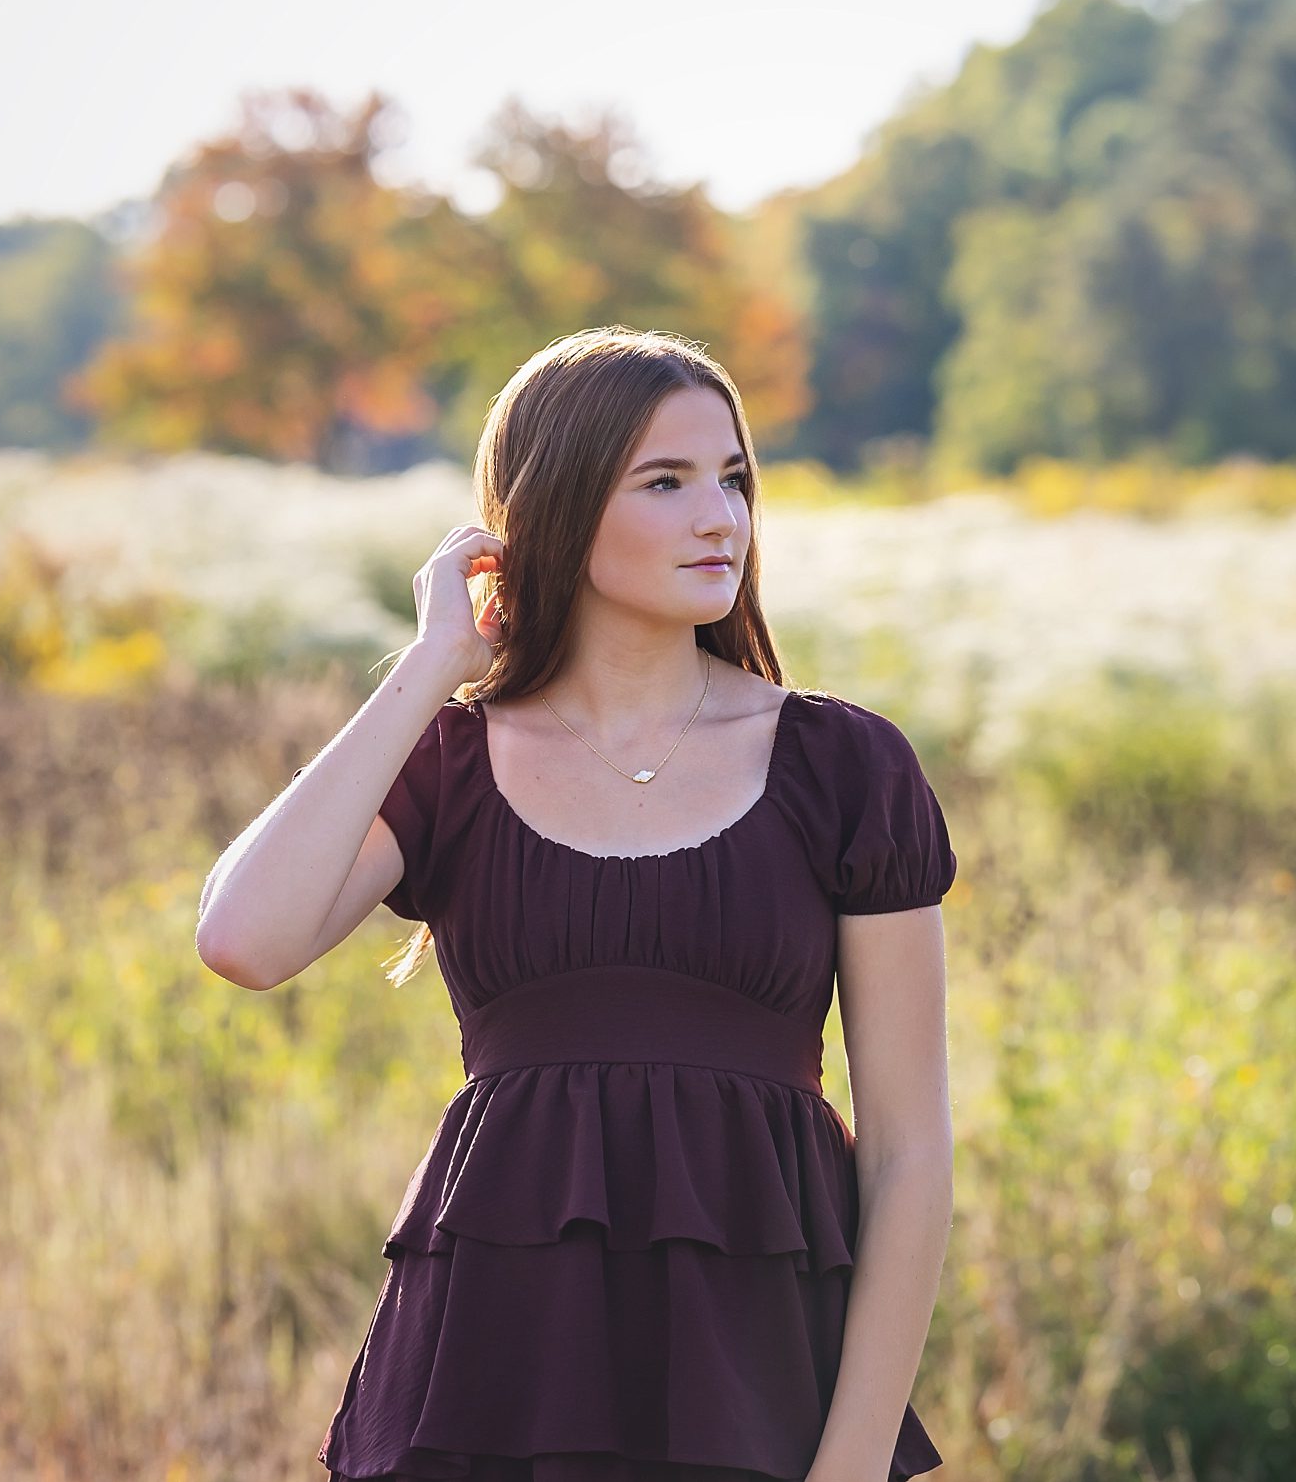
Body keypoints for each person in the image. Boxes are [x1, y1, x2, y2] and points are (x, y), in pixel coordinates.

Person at [196, 326, 959, 1481]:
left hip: (758, 1385)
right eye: (665, 481)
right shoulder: (450, 762)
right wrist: (430, 666)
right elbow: (243, 939)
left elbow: (907, 1151)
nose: (722, 518)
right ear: (552, 506)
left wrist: (849, 1459)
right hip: (489, 1380)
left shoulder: (844, 765)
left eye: (733, 477)